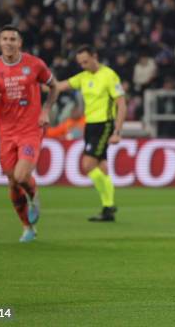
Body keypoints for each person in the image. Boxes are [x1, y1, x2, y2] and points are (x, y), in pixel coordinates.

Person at [0, 25, 58, 242]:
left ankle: (34, 195)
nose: (8, 42)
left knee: (21, 175)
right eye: (4, 38)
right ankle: (27, 227)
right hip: (6, 132)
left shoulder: (35, 64)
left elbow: (54, 87)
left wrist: (45, 110)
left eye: (12, 39)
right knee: (12, 182)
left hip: (31, 129)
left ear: (19, 43)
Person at [55, 46, 126, 222]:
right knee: (101, 166)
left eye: (86, 61)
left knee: (87, 164)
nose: (83, 65)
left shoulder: (109, 75)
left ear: (95, 56)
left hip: (104, 125)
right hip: (90, 126)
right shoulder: (83, 77)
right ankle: (108, 208)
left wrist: (117, 131)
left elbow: (121, 104)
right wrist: (40, 82)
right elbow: (60, 86)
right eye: (80, 63)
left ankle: (108, 205)